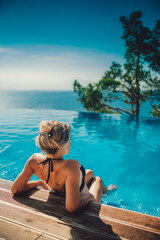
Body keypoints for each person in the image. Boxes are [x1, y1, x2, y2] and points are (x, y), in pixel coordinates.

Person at [11, 120, 117, 213]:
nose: (70, 141)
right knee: (97, 180)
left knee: (89, 172)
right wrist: (88, 197)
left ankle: (104, 191)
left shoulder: (34, 160)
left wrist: (38, 183)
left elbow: (15, 189)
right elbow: (72, 207)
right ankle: (106, 192)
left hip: (61, 188)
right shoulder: (72, 166)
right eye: (69, 139)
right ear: (64, 145)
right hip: (82, 201)